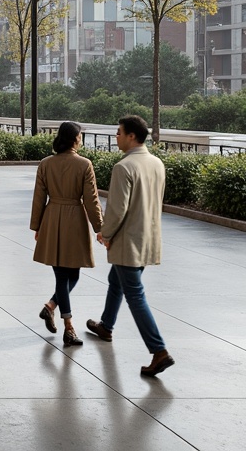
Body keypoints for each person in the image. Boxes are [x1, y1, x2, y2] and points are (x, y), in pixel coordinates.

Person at [86, 114, 174, 376]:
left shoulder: (123, 167)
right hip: (148, 238)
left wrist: (105, 232)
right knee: (117, 281)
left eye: (119, 132)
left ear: (131, 136)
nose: (116, 137)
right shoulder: (157, 163)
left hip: (127, 240)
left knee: (135, 294)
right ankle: (106, 326)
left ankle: (159, 351)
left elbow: (117, 209)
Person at [29, 121, 103, 347]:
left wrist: (38, 226)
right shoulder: (84, 165)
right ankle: (68, 327)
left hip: (52, 219)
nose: (81, 140)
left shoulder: (45, 164)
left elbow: (39, 197)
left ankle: (51, 307)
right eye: (80, 136)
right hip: (74, 221)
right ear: (74, 139)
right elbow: (91, 200)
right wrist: (100, 228)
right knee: (68, 275)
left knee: (68, 276)